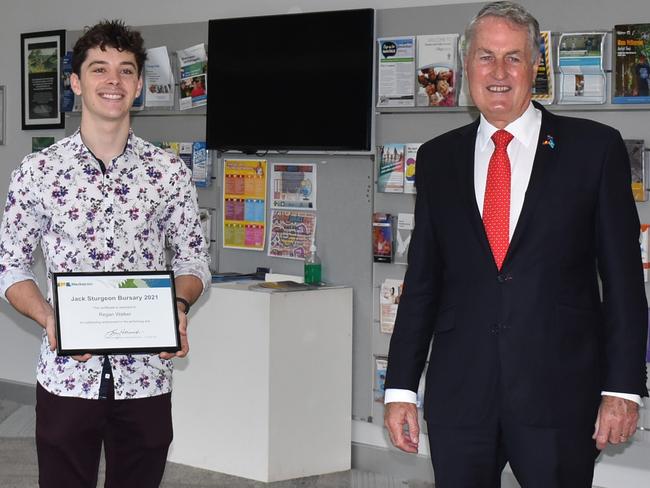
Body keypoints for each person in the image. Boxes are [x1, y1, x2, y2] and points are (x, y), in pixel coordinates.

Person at [383, 3, 648, 488]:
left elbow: (625, 284)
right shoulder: (438, 159)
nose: (499, 72)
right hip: (461, 398)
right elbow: (422, 283)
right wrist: (399, 387)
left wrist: (624, 388)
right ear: (466, 67)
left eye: (513, 58)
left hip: (561, 399)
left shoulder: (595, 150)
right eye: (486, 57)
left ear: (535, 66)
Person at [0, 20, 210, 488]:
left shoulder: (169, 173)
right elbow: (9, 266)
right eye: (99, 69)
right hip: (67, 375)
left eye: (125, 71)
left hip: (147, 376)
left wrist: (177, 306)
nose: (112, 81)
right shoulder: (37, 172)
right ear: (77, 83)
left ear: (138, 85)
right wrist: (51, 319)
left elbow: (194, 261)